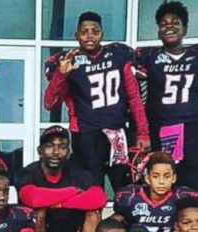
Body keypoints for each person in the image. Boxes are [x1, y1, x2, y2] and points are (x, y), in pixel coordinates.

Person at [44, 11, 150, 192]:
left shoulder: (118, 54)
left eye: (95, 31)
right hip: (86, 135)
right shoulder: (68, 60)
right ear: (76, 35)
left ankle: (121, 221)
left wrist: (142, 133)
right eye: (84, 31)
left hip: (117, 133)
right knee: (91, 190)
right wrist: (62, 74)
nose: (90, 35)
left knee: (125, 188)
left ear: (102, 34)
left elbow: (134, 97)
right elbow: (50, 103)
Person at [134, 1, 198, 193]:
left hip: (192, 127)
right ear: (158, 32)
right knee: (162, 182)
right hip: (160, 127)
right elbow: (140, 99)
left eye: (175, 22)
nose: (169, 26)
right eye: (164, 24)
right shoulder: (149, 57)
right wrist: (141, 132)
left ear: (185, 29)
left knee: (194, 183)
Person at [16, 125, 107, 232]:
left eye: (62, 147)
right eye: (50, 146)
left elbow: (99, 198)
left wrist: (58, 203)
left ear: (68, 152)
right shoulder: (29, 172)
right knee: (39, 212)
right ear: (40, 151)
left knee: (93, 212)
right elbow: (31, 197)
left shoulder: (78, 173)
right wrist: (72, 192)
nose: (56, 152)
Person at [112, 151, 198, 232]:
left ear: (174, 178)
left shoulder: (184, 197)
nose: (161, 182)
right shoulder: (130, 196)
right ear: (147, 178)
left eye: (167, 176)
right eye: (155, 176)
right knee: (136, 231)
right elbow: (114, 222)